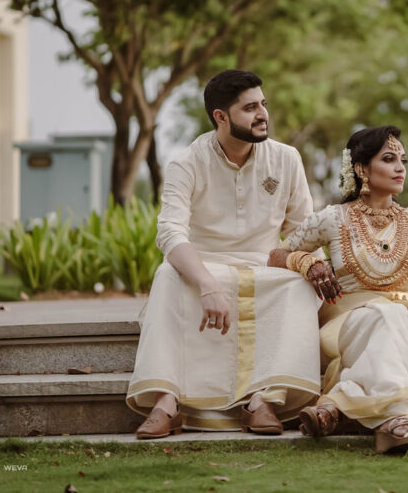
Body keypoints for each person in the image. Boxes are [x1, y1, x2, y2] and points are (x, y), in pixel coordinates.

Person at [127, 70, 336, 438]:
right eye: (250, 107)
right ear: (220, 117)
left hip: (264, 267)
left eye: (263, 105)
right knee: (167, 276)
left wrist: (312, 263)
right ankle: (166, 401)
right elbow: (170, 232)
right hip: (203, 266)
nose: (262, 115)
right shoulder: (186, 163)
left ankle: (263, 400)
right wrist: (207, 285)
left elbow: (302, 230)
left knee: (295, 286)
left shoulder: (286, 159)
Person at [270, 125, 408, 454]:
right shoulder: (332, 219)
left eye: (403, 161)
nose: (400, 168)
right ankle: (399, 422)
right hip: (347, 325)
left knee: (399, 320)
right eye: (389, 159)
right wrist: (307, 263)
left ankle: (337, 404)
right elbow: (276, 255)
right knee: (386, 315)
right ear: (361, 169)